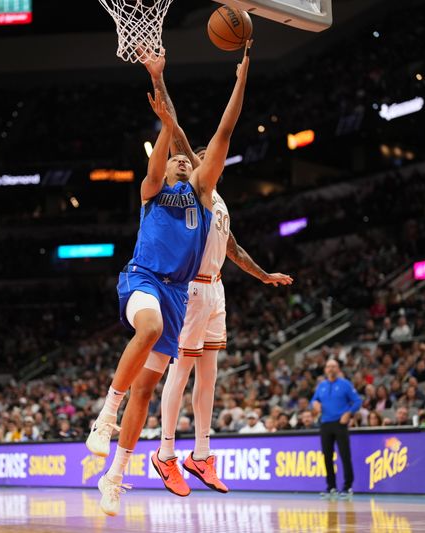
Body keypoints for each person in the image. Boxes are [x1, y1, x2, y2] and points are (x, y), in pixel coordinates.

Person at [85, 43, 253, 517]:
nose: (185, 162)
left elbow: (224, 130)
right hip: (142, 279)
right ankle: (105, 415)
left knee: (148, 389)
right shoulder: (153, 190)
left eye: (191, 161)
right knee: (150, 328)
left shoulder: (204, 197)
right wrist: (163, 116)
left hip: (179, 295)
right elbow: (161, 158)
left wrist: (241, 79)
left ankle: (115, 475)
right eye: (180, 159)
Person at [144, 48, 293, 498]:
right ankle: (165, 453)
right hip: (189, 289)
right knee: (182, 370)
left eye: (210, 156)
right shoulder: (197, 189)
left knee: (208, 375)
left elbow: (234, 249)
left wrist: (264, 275)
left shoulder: (220, 204)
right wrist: (160, 77)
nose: (207, 157)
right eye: (202, 154)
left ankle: (201, 454)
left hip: (217, 292)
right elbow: (184, 127)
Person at [311, 359, 361, 498]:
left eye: (333, 366)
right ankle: (331, 486)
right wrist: (315, 404)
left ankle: (347, 486)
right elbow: (314, 399)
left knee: (345, 455)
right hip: (325, 424)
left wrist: (348, 413)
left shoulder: (345, 384)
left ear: (338, 369)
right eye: (328, 367)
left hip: (340, 423)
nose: (331, 369)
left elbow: (357, 400)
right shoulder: (321, 386)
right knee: (326, 457)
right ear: (325, 369)